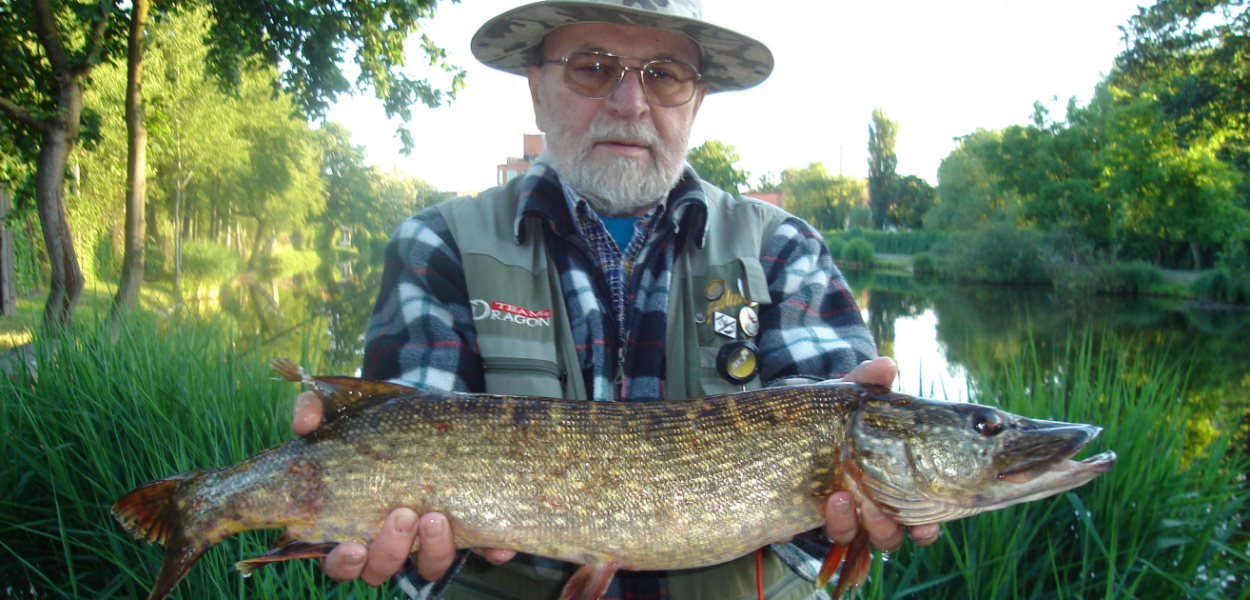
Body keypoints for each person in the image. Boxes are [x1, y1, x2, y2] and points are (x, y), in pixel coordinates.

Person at [291, 0, 941, 597]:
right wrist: (397, 542)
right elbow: (397, 453)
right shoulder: (441, 243)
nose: (630, 103)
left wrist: (855, 506)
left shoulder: (783, 248)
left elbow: (838, 504)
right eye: (593, 68)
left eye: (664, 75)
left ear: (698, 100)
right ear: (537, 90)